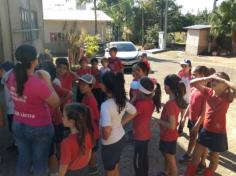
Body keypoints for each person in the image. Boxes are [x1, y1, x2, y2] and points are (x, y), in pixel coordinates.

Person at [5, 44, 59, 176]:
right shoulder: (37, 84)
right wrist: (47, 81)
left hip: (18, 124)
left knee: (24, 159)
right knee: (39, 163)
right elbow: (56, 102)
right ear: (35, 61)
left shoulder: (11, 75)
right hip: (39, 127)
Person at [183, 72, 236, 176]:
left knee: (214, 158)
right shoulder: (208, 92)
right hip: (205, 130)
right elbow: (192, 83)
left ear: (225, 85)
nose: (214, 81)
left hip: (219, 133)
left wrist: (224, 81)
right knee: (195, 155)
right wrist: (209, 77)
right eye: (213, 79)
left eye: (218, 80)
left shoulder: (227, 95)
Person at [100, 71, 137, 176]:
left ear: (106, 86)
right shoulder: (121, 100)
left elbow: (107, 130)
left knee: (110, 171)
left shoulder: (105, 105)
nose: (100, 84)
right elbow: (134, 111)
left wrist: (105, 136)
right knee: (114, 167)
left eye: (101, 82)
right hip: (120, 138)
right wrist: (121, 123)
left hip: (110, 143)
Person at [40, 61, 72, 176]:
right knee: (50, 144)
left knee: (58, 142)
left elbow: (69, 94)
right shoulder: (38, 84)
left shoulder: (54, 83)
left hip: (55, 119)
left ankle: (61, 163)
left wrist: (57, 104)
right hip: (46, 120)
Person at [155, 74, 187, 176]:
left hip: (168, 136)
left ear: (167, 87)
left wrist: (159, 121)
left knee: (171, 160)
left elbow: (172, 125)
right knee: (168, 157)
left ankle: (172, 173)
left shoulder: (170, 104)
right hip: (170, 136)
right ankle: (166, 172)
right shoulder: (176, 100)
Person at [179, 66, 210, 171]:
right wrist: (184, 117)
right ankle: (188, 154)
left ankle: (202, 162)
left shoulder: (206, 93)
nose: (192, 76)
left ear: (202, 77)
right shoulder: (193, 89)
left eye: (195, 75)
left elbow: (203, 112)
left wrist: (197, 125)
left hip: (200, 123)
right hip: (192, 120)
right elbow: (190, 105)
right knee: (192, 137)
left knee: (202, 144)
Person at [132, 77, 161, 176]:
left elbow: (128, 113)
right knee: (144, 157)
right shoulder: (150, 101)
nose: (134, 90)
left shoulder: (139, 104)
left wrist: (133, 98)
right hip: (146, 134)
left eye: (137, 89)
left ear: (140, 92)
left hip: (140, 136)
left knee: (137, 162)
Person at [59, 103, 94, 176]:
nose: (62, 118)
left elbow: (64, 166)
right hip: (84, 169)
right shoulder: (88, 134)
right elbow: (89, 154)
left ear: (71, 121)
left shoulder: (66, 143)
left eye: (64, 116)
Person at [78, 74, 100, 174]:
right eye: (80, 84)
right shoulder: (85, 97)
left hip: (91, 131)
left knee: (93, 151)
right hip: (87, 129)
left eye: (84, 85)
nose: (81, 86)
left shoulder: (91, 100)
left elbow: (94, 118)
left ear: (91, 86)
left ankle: (93, 168)